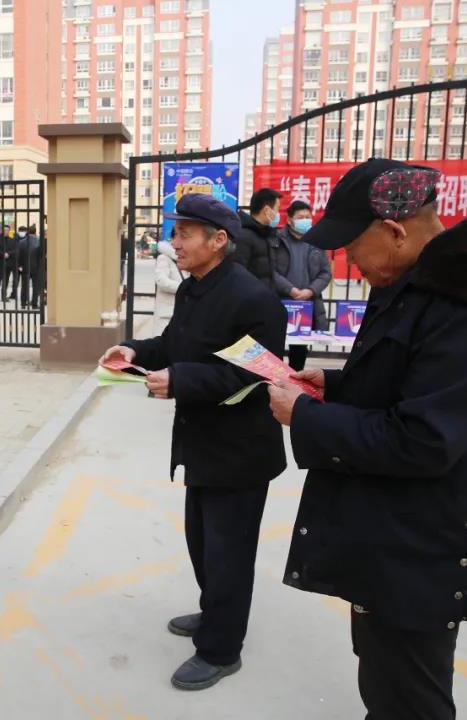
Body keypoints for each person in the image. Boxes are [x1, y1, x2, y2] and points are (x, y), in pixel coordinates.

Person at [267, 158, 467, 720]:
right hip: (394, 529)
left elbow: (424, 439)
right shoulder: (414, 279)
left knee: (410, 695)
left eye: (353, 247)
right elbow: (411, 381)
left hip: (431, 543)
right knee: (383, 676)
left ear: (394, 230)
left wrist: (303, 417)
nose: (350, 263)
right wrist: (336, 384)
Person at [100, 193, 287, 692]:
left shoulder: (255, 301)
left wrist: (180, 380)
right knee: (203, 544)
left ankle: (222, 650)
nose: (174, 242)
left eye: (184, 234)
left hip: (240, 450)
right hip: (201, 442)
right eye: (175, 232)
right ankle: (215, 612)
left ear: (218, 240)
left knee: (229, 554)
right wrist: (132, 349)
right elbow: (173, 344)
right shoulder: (194, 289)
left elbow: (251, 374)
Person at [271, 200, 332, 370]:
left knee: (299, 351)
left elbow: (326, 273)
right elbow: (270, 270)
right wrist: (289, 289)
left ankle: (295, 380)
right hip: (281, 301)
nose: (305, 220)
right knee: (274, 345)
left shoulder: (316, 240)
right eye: (300, 217)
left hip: (307, 304)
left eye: (307, 217)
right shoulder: (277, 240)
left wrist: (311, 290)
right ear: (290, 220)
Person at [232, 188, 281, 288]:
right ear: (267, 210)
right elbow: (237, 275)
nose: (277, 214)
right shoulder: (244, 236)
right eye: (277, 209)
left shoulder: (264, 233)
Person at [152, 235, 183, 336]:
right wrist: (183, 287)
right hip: (166, 312)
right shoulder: (164, 258)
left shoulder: (185, 259)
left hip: (182, 311)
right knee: (164, 340)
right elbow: (161, 281)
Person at [0, 224, 18, 303]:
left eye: (7, 230)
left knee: (6, 281)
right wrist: (3, 254)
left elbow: (15, 250)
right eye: (4, 230)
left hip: (9, 264)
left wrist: (9, 254)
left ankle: (4, 296)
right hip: (0, 263)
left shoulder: (12, 240)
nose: (6, 231)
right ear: (1, 230)